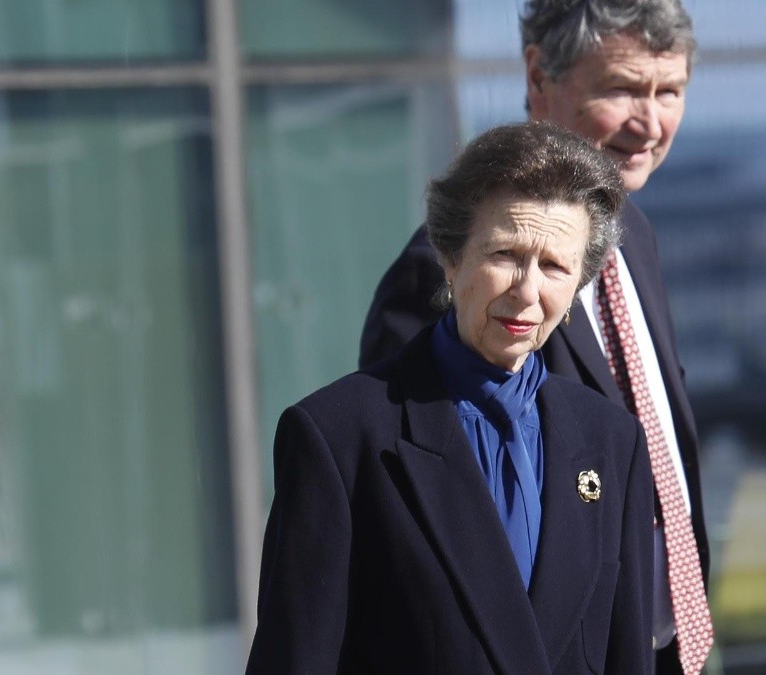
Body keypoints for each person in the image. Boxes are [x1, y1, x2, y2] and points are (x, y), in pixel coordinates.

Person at [357, 1, 713, 672]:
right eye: (622, 89)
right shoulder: (439, 277)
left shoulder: (633, 237)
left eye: (670, 91)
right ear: (538, 76)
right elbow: (428, 537)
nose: (651, 122)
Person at [246, 122, 653, 674]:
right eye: (505, 254)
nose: (527, 291)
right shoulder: (340, 438)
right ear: (450, 255)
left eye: (555, 266)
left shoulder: (610, 440)